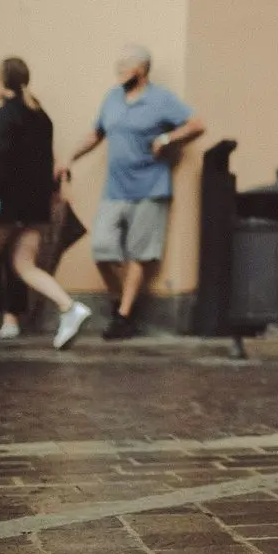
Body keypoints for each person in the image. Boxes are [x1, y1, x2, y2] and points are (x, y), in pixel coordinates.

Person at [58, 44, 204, 340]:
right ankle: (120, 302)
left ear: (141, 69)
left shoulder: (160, 99)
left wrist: (167, 138)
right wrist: (69, 157)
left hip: (150, 188)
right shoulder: (112, 98)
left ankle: (124, 315)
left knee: (139, 254)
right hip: (115, 189)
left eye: (124, 65)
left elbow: (196, 125)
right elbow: (96, 133)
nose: (118, 70)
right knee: (102, 248)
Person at [0, 58, 92, 349]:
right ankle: (69, 307)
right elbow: (45, 163)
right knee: (25, 265)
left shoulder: (5, 116)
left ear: (1, 81)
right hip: (34, 206)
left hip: (4, 203)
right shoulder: (42, 117)